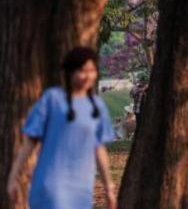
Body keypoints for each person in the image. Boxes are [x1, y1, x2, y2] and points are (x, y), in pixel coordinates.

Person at [6, 47, 116, 208]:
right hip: (51, 185)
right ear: (70, 72)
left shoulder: (97, 106)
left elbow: (99, 149)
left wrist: (109, 188)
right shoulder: (52, 99)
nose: (87, 76)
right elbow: (29, 143)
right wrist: (13, 177)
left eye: (91, 70)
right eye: (82, 71)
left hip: (82, 189)